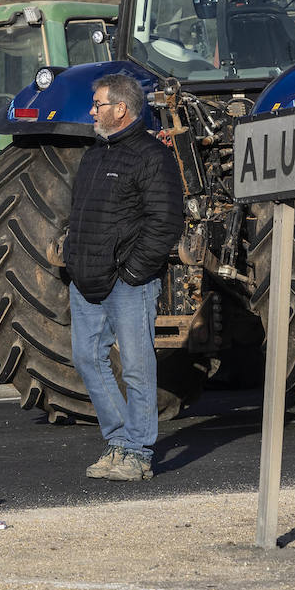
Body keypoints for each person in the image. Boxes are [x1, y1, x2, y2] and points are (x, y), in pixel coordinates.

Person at [65, 73, 184, 482]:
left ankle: (138, 452)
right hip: (85, 280)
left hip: (127, 283)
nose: (92, 111)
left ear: (121, 108)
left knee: (135, 366)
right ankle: (119, 441)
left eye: (98, 104)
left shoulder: (153, 156)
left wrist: (134, 271)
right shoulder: (95, 155)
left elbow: (166, 220)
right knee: (86, 357)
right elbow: (78, 213)